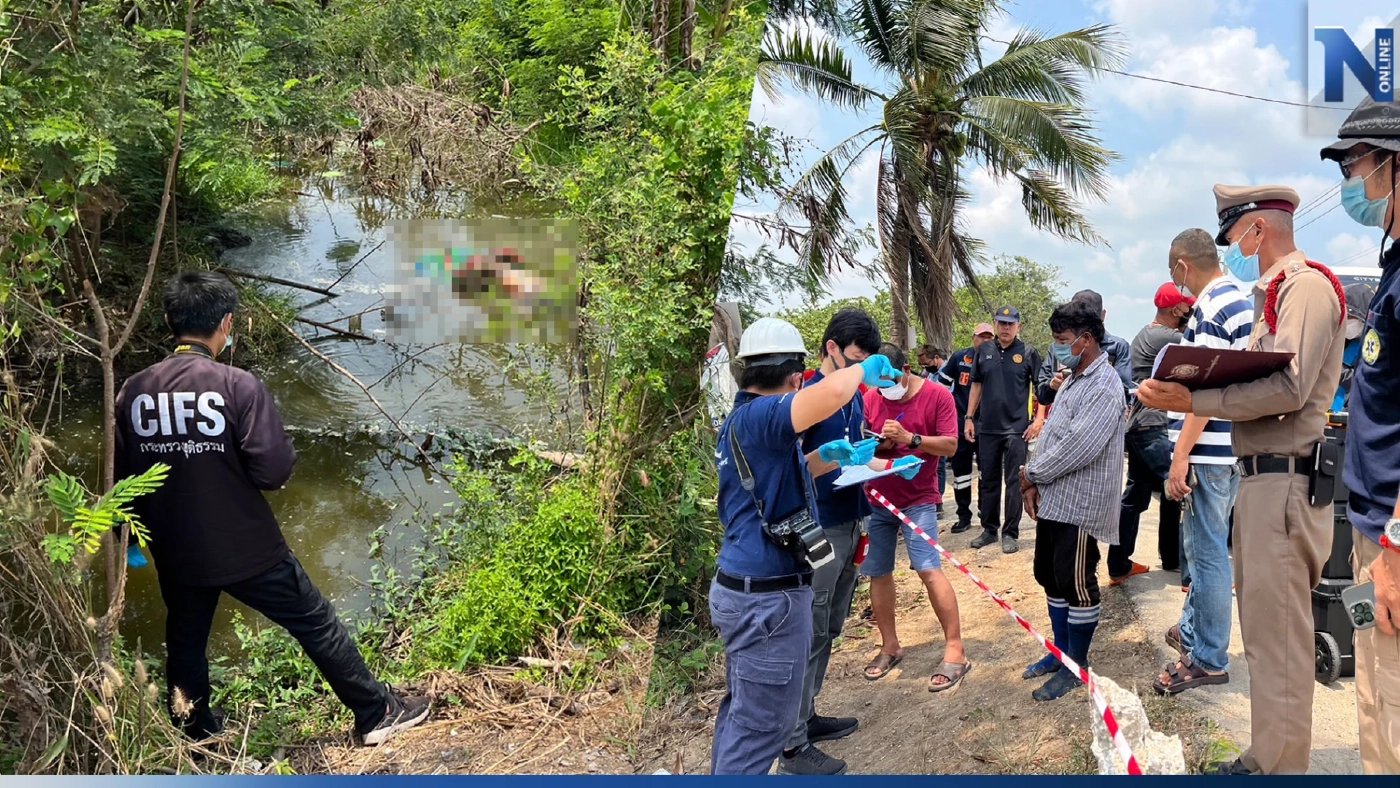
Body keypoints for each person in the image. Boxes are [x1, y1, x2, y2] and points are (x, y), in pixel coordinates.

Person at [115, 272, 430, 746]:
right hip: (246, 546)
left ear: (168, 321)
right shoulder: (237, 386)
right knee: (314, 621)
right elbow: (274, 472)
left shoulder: (132, 391)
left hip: (177, 551)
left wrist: (127, 539)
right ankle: (376, 712)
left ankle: (196, 735)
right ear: (226, 324)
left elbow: (121, 481)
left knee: (185, 640)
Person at [1138, 184, 1345, 775]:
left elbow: (1289, 387)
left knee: (1278, 639)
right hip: (1261, 479)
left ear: (1259, 228)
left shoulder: (1303, 287)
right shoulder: (1271, 295)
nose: (1235, 249)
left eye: (1237, 236)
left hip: (1285, 481)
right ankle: (1266, 755)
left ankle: (1278, 768)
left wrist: (1196, 394)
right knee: (1262, 632)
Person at [709, 317, 900, 775]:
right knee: (760, 728)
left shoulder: (743, 421)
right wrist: (863, 371)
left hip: (751, 588)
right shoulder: (764, 416)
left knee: (744, 716)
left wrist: (826, 456)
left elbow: (784, 477)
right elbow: (833, 393)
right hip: (766, 598)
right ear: (796, 376)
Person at [1319, 99, 1400, 774]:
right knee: (1374, 695)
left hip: (1396, 544)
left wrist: (1396, 550)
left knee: (1396, 709)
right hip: (1376, 536)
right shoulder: (1395, 267)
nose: (1353, 181)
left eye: (1358, 164)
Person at [1150, 228, 1254, 695]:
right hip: (1224, 449)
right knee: (1203, 549)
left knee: (1208, 556)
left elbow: (1207, 396)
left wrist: (1180, 456)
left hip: (1207, 452)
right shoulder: (1238, 297)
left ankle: (1209, 658)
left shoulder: (1211, 307)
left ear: (1182, 267)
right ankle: (1193, 634)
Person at [779, 309, 882, 776]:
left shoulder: (854, 398)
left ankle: (807, 714)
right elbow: (785, 464)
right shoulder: (804, 397)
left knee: (831, 624)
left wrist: (871, 459)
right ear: (832, 348)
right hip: (816, 526)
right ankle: (792, 744)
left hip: (849, 518)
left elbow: (849, 447)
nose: (858, 369)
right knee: (808, 626)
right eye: (855, 359)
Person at [1018, 300, 1126, 701]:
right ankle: (1061, 654)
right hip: (1055, 498)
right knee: (1050, 576)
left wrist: (1032, 474)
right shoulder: (1074, 378)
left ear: (1086, 338)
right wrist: (1032, 482)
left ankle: (1076, 666)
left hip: (1081, 503)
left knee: (1077, 582)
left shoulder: (1104, 384)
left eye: (1064, 341)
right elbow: (1050, 436)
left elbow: (1079, 447)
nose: (1059, 348)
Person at [858, 343, 967, 692]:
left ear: (906, 370)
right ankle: (890, 645)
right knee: (878, 572)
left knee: (928, 568)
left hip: (918, 498)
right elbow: (866, 445)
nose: (885, 390)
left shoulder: (937, 396)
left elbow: (950, 446)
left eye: (890, 381)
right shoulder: (871, 398)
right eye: (878, 384)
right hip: (877, 497)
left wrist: (911, 439)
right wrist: (880, 446)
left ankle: (955, 650)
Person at [1108, 282, 1192, 587]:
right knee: (1183, 490)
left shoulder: (1146, 332)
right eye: (1187, 308)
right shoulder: (1169, 336)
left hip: (1141, 425)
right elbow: (1206, 348)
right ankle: (1192, 576)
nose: (1190, 313)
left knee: (1137, 497)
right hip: (1156, 425)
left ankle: (1123, 565)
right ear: (1175, 310)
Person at [965, 307, 1042, 553]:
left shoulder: (1028, 353)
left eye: (1011, 324)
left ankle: (1010, 533)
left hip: (1017, 429)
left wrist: (1038, 420)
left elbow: (1041, 390)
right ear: (995, 324)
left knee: (1014, 482)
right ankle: (989, 529)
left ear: (1019, 326)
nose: (1006, 328)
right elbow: (976, 385)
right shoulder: (984, 351)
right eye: (1002, 323)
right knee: (987, 480)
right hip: (987, 427)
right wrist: (969, 418)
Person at [1029, 290, 1132, 440]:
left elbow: (1123, 392)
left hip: (1098, 431)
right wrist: (1053, 387)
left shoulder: (1117, 347)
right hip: (1060, 430)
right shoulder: (1059, 347)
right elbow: (1042, 395)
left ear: (1102, 316)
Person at [938, 324, 995, 534]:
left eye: (990, 337)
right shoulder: (960, 358)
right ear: (974, 338)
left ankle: (985, 513)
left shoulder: (999, 360)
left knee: (986, 472)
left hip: (988, 426)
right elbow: (942, 387)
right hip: (961, 424)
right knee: (961, 474)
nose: (985, 341)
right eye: (982, 337)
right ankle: (963, 516)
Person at [1335, 282, 1378, 412]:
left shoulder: (1376, 346)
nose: (1345, 322)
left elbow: (1371, 385)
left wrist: (1339, 373)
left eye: (1350, 317)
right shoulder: (1334, 340)